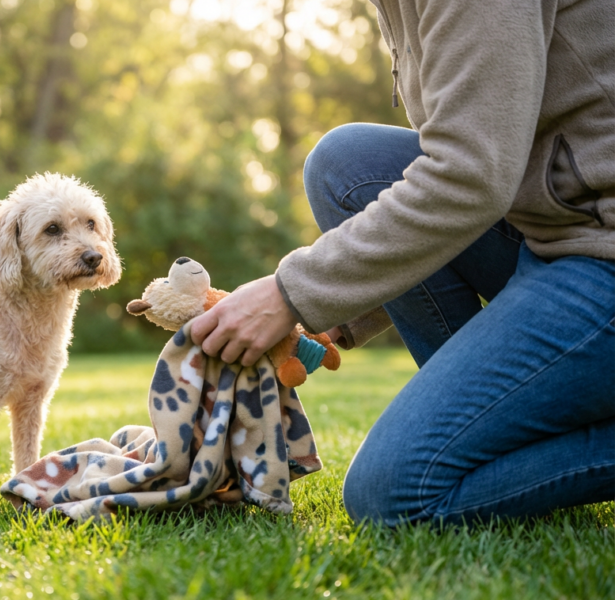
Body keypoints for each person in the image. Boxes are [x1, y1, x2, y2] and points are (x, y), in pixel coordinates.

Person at [191, 0, 614, 526]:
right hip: (551, 232)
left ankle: (474, 455)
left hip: (602, 253)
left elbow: (469, 177)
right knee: (346, 166)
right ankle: (493, 439)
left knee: (393, 495)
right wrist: (329, 317)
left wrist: (288, 293)